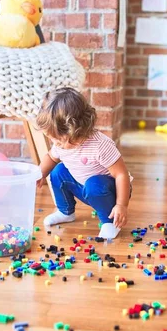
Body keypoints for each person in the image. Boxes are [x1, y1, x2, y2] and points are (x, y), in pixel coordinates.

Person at [35, 88, 131, 239]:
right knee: (57, 171)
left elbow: (121, 175)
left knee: (94, 184)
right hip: (84, 187)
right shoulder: (61, 143)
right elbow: (51, 158)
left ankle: (109, 221)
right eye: (52, 139)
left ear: (75, 130)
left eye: (58, 139)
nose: (55, 143)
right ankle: (66, 212)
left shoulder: (100, 145)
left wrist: (121, 205)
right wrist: (39, 173)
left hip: (108, 191)